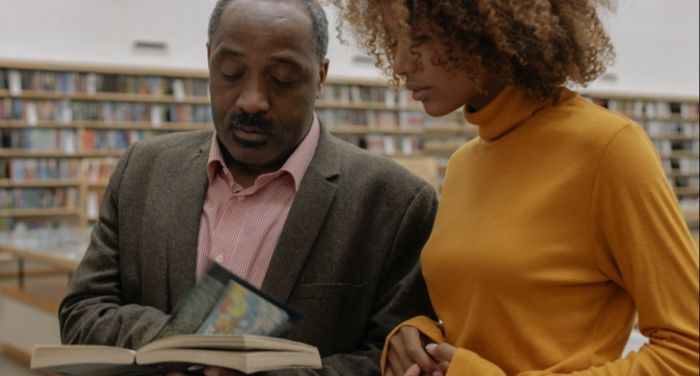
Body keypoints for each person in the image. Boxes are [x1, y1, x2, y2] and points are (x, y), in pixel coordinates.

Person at [59, 0, 438, 375]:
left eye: (283, 78)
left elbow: (392, 358)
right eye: (231, 72)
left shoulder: (395, 204)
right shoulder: (142, 171)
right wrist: (186, 343)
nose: (252, 100)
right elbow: (82, 312)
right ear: (209, 62)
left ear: (320, 76)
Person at [329, 0, 700, 375]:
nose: (401, 65)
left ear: (487, 30)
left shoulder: (609, 149)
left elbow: (688, 351)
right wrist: (422, 336)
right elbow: (487, 316)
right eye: (394, 41)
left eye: (421, 39)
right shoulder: (462, 165)